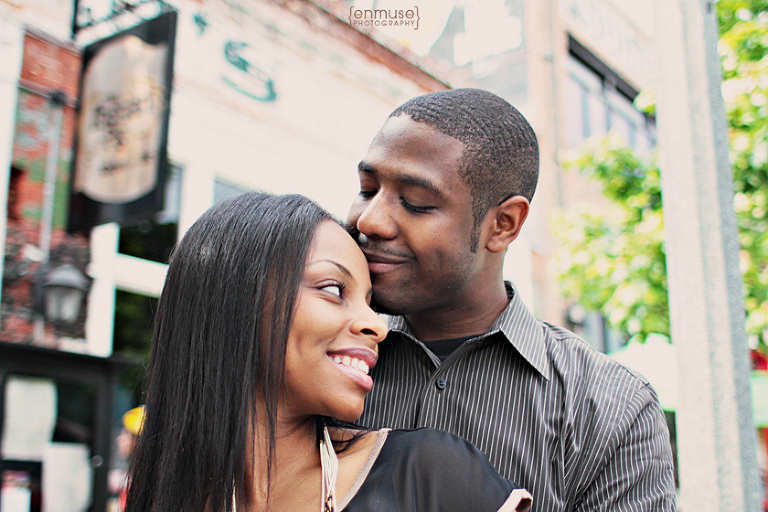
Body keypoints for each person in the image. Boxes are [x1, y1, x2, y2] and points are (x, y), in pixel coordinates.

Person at [347, 88, 676, 512]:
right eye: (367, 189)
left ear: (503, 224)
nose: (370, 220)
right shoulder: (310, 355)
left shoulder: (611, 408)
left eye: (416, 203)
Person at [125, 192, 532, 512]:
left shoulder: (431, 475)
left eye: (370, 303)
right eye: (334, 289)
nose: (377, 326)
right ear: (234, 302)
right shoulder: (164, 495)